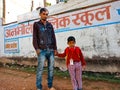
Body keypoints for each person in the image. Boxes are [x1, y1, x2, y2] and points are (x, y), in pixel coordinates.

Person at [33, 8, 57, 90]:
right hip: (42, 50)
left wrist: (55, 48)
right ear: (40, 14)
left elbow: (53, 37)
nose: (45, 16)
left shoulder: (50, 25)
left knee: (51, 69)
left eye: (47, 14)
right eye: (44, 14)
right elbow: (35, 37)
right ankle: (39, 87)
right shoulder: (36, 24)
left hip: (51, 50)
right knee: (40, 69)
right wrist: (37, 48)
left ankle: (50, 86)